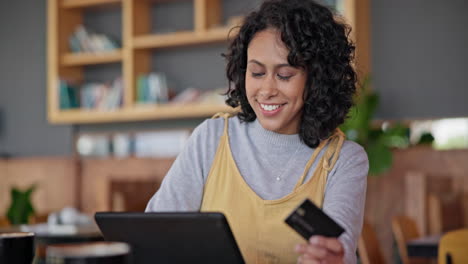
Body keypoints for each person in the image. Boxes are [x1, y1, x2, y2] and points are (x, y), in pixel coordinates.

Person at [145, 0, 368, 263]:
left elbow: (339, 251)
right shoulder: (211, 138)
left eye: (284, 75)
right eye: (257, 72)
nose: (266, 90)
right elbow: (155, 232)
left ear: (317, 80)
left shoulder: (344, 160)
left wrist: (331, 258)